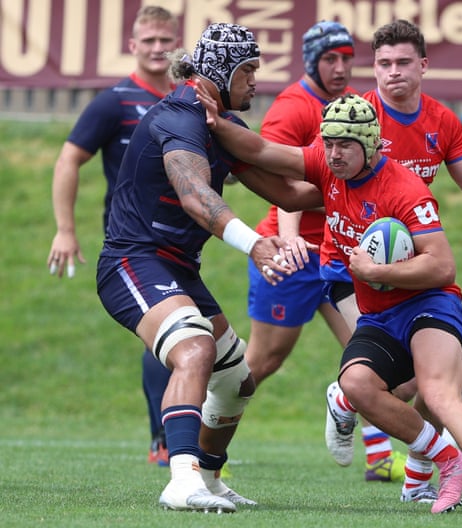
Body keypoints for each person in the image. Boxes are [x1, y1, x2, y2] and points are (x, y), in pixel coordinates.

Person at [198, 91, 462, 519]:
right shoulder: (328, 164)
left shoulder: (405, 190)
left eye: (345, 145)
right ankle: (449, 460)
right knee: (357, 383)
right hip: (377, 313)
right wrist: (216, 123)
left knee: (437, 394)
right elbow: (263, 151)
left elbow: (442, 266)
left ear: (371, 144)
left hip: (428, 304)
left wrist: (378, 270)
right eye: (329, 143)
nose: (334, 154)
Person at [319, 19, 462, 503]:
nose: (393, 72)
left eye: (403, 62)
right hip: (349, 267)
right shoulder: (357, 117)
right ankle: (349, 396)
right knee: (389, 382)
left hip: (406, 264)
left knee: (425, 386)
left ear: (423, 65)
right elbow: (303, 174)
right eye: (383, 64)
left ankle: (420, 477)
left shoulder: (441, 121)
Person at [95, 22, 302, 512]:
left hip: (177, 267)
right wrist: (255, 244)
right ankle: (181, 479)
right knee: (195, 348)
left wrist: (364, 178)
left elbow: (290, 193)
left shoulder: (221, 125)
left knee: (237, 380)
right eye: (248, 70)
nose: (256, 81)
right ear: (221, 71)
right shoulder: (179, 116)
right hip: (133, 259)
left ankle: (207, 479)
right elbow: (194, 196)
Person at [243, 20, 406, 483]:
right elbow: (283, 186)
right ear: (311, 61)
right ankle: (201, 443)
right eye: (330, 59)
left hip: (340, 253)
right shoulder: (291, 108)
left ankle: (378, 457)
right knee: (263, 361)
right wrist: (290, 239)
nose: (340, 68)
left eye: (346, 59)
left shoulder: (354, 108)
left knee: (379, 360)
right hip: (290, 255)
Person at [46, 5, 179, 466]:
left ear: (176, 43)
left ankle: (183, 438)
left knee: (193, 337)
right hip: (134, 243)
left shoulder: (186, 100)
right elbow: (68, 160)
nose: (158, 48)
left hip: (183, 240)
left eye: (166, 40)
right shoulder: (114, 102)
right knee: (169, 332)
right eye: (150, 41)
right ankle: (165, 441)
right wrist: (65, 230)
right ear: (133, 45)